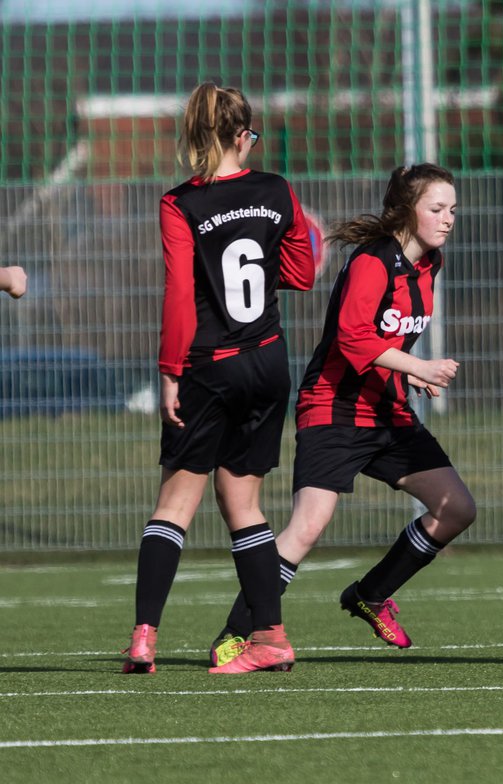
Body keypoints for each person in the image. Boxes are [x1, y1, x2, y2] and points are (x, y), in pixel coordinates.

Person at [209, 163, 476, 668]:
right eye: (436, 209)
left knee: (456, 507)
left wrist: (410, 376)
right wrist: (418, 365)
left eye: (453, 210)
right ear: (406, 210)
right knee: (308, 526)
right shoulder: (373, 262)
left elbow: (389, 339)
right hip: (334, 407)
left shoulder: (430, 263)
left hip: (386, 410)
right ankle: (236, 633)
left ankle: (370, 594)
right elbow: (354, 339)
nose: (447, 220)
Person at [121, 82, 316, 675]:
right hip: (268, 362)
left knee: (175, 504)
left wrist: (169, 372)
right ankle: (270, 635)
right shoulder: (276, 188)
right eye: (251, 136)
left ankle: (145, 637)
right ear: (239, 135)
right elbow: (302, 270)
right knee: (246, 508)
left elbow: (180, 293)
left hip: (210, 364)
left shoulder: (180, 202)